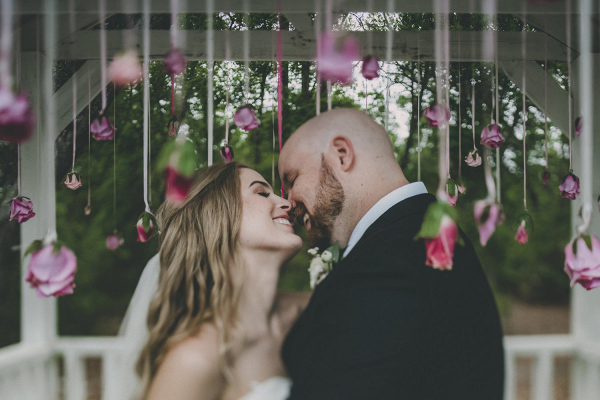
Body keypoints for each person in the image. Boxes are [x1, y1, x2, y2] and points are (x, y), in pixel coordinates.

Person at [278, 108, 505, 400]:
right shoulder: (426, 237)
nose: (289, 202)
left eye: (293, 179)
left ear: (342, 154)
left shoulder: (385, 266)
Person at [134, 162, 310, 400]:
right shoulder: (195, 359)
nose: (287, 203)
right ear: (217, 214)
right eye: (261, 192)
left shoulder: (311, 311)